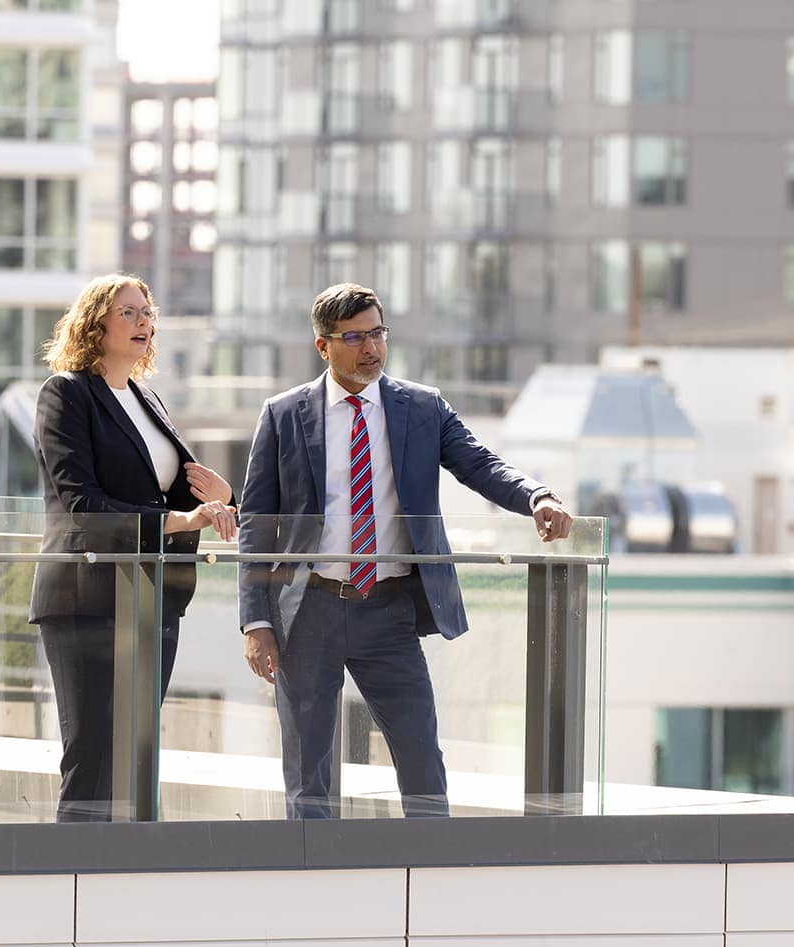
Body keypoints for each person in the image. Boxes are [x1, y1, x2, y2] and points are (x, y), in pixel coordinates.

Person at [238, 282, 573, 819]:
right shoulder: (283, 414)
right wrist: (255, 621)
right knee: (308, 769)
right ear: (324, 346)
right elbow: (256, 525)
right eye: (355, 338)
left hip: (389, 609)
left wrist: (535, 496)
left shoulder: (420, 407)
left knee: (421, 757)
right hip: (307, 610)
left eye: (377, 333)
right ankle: (313, 881)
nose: (371, 348)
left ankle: (430, 874)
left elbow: (480, 464)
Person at [28, 273, 236, 822]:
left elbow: (170, 490)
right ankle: (73, 880)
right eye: (129, 313)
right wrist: (178, 520)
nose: (145, 322)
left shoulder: (146, 399)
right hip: (88, 597)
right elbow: (83, 506)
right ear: (95, 323)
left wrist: (222, 498)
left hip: (152, 598)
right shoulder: (66, 393)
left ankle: (126, 879)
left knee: (136, 753)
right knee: (94, 752)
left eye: (148, 312)